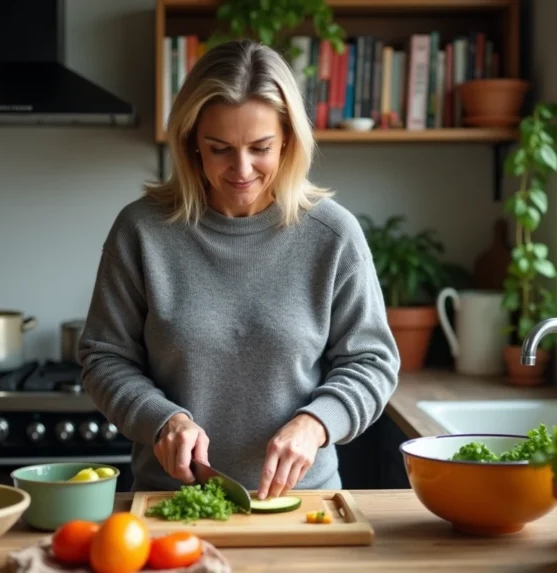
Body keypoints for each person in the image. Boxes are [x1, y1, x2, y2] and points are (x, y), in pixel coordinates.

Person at [78, 39, 400, 500]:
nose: (241, 168)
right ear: (192, 142)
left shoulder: (334, 235)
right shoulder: (142, 231)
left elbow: (372, 362)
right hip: (174, 500)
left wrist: (315, 423)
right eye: (220, 148)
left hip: (303, 502)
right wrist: (164, 420)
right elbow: (104, 358)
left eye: (260, 147)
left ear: (288, 139)